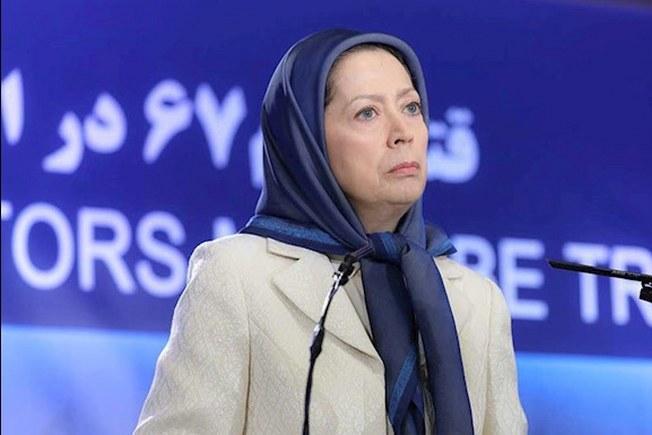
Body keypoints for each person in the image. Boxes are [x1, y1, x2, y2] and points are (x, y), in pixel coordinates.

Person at [135, 28, 528, 434]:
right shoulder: (236, 278)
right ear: (307, 140)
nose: (402, 132)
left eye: (411, 107)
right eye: (367, 113)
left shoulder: (478, 301)